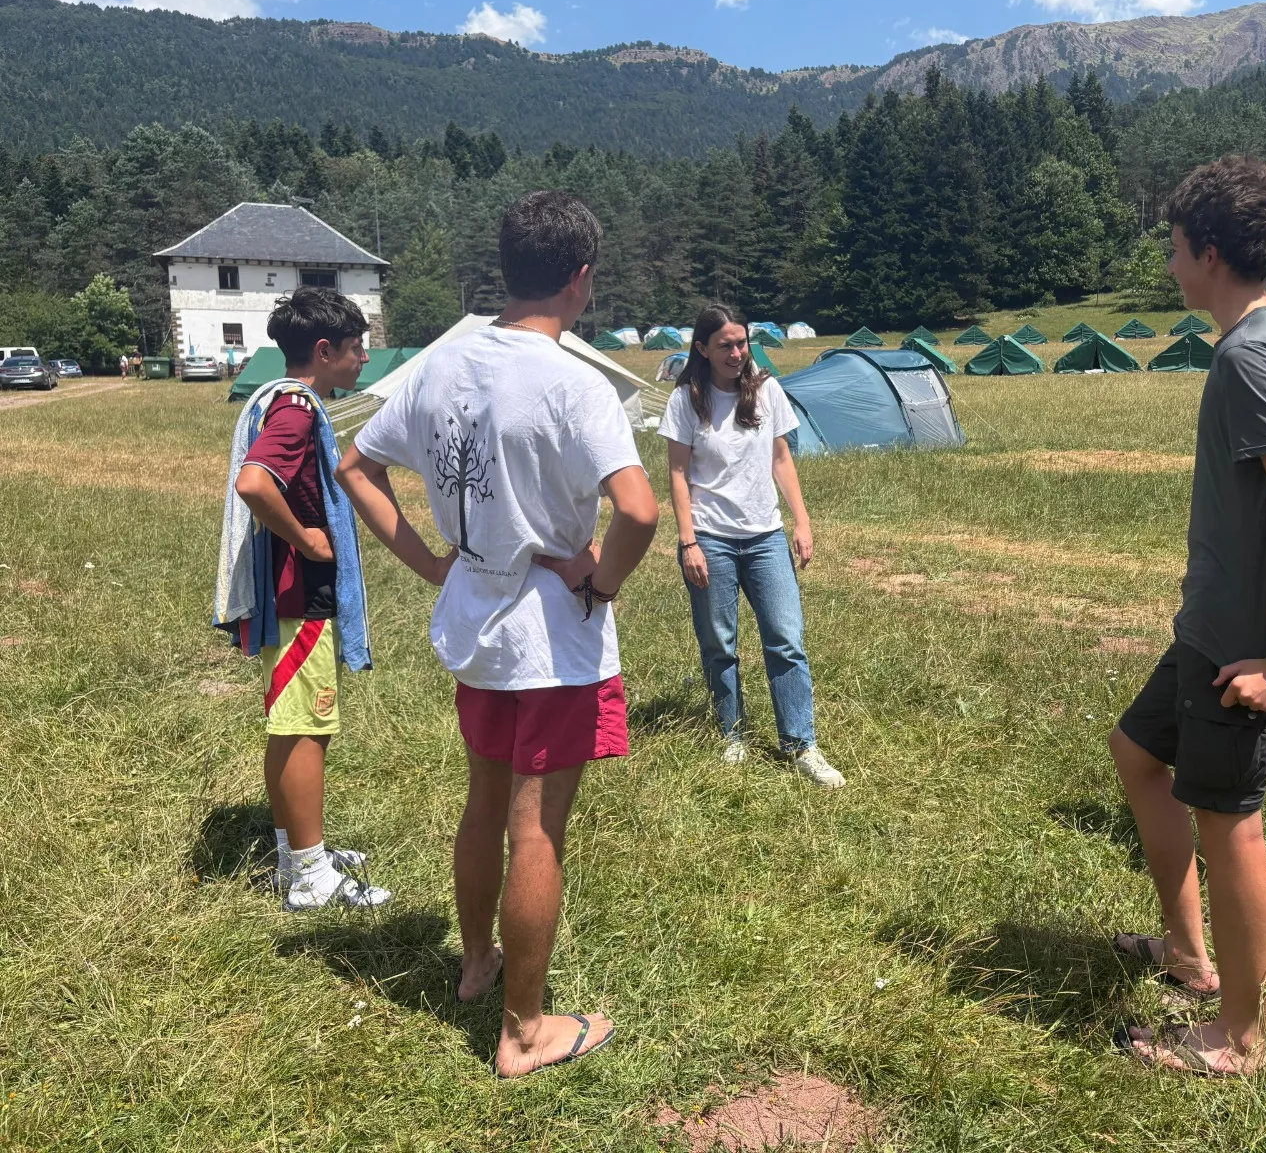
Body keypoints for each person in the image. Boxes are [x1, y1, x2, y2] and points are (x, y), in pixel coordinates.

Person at [337, 190, 659, 1079]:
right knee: (537, 829)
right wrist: (601, 580)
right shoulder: (572, 383)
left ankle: (478, 963)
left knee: (483, 802)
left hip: (475, 624)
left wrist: (434, 565)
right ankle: (523, 1031)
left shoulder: (441, 365)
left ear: (508, 266)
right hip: (551, 640)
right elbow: (637, 508)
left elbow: (355, 466)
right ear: (581, 280)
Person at [1107, 156, 1266, 1077]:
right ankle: (1185, 956)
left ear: (1208, 252)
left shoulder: (1253, 353)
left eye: (1175, 248)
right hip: (1209, 631)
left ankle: (1239, 1038)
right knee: (1138, 752)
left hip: (1238, 652)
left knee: (1231, 825)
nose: (1171, 265)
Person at [218, 287, 388, 911]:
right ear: (325, 350)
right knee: (308, 728)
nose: (364, 359)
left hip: (290, 594)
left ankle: (296, 852)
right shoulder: (294, 410)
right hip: (299, 598)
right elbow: (254, 483)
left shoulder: (285, 401)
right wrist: (308, 538)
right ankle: (311, 876)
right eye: (356, 348)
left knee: (288, 728)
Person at [658, 304, 843, 788]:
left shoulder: (766, 390)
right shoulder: (686, 401)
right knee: (720, 643)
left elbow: (782, 458)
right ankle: (732, 734)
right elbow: (677, 475)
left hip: (765, 537)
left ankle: (801, 744)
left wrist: (801, 523)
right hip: (711, 539)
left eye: (742, 343)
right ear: (702, 348)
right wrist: (688, 542)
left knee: (786, 639)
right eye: (726, 345)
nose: (737, 353)